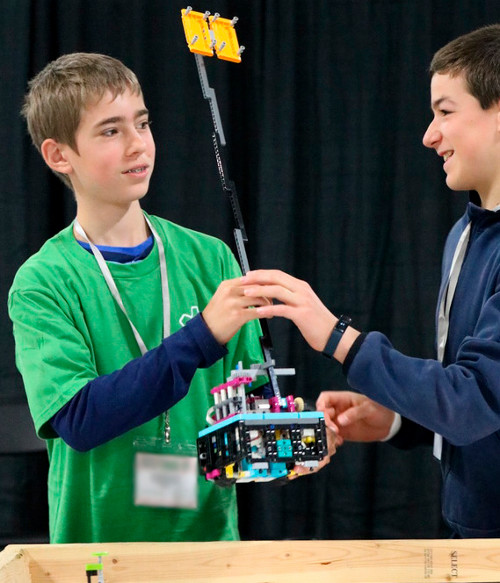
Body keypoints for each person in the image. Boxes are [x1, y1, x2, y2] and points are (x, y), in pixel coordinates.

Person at [240, 24, 500, 538]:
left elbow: (474, 403)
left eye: (445, 112)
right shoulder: (463, 236)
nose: (429, 135)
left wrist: (339, 339)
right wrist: (397, 421)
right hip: (468, 533)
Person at [8, 52, 269, 544]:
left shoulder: (211, 259)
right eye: (110, 131)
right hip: (99, 555)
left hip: (209, 551)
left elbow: (246, 403)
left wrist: (286, 436)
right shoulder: (43, 281)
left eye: (142, 123)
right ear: (59, 155)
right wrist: (200, 337)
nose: (138, 145)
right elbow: (80, 420)